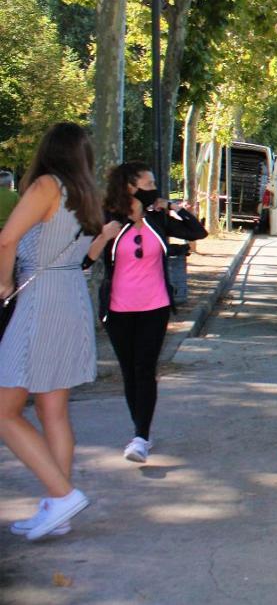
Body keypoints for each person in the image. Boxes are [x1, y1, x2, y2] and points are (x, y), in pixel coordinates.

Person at [0, 123, 104, 541]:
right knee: (53, 410)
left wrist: (4, 283)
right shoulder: (86, 194)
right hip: (71, 297)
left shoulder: (46, 185)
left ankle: (61, 495)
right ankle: (58, 506)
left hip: (40, 297)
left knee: (5, 410)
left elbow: (7, 239)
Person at [87, 161, 207, 465]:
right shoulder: (110, 220)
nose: (154, 186)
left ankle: (140, 435)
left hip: (154, 307)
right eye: (148, 181)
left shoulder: (158, 219)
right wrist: (104, 235)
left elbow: (197, 231)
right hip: (118, 310)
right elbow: (86, 258)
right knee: (129, 372)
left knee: (145, 368)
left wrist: (173, 207)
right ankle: (140, 429)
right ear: (130, 185)